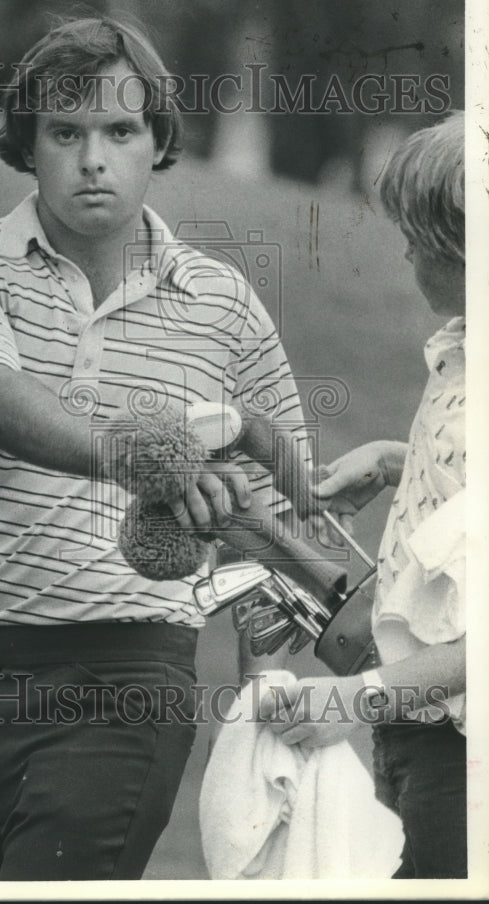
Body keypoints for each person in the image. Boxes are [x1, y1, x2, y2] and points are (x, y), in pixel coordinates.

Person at [0, 13, 310, 881]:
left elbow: (277, 515)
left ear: (157, 138)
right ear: (28, 142)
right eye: (65, 131)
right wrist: (134, 455)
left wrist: (259, 701)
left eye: (120, 130)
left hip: (129, 678)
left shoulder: (224, 303)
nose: (93, 158)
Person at [260, 112, 467, 879]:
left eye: (420, 236)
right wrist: (392, 462)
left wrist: (350, 702)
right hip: (412, 733)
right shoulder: (459, 354)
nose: (405, 250)